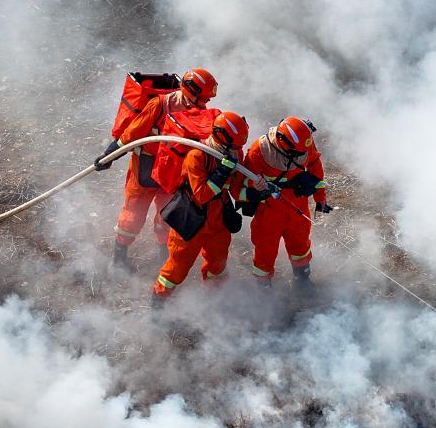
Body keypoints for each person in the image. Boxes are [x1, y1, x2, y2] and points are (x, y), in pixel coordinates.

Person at [94, 68, 218, 270]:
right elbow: (132, 134)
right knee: (133, 215)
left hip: (173, 173)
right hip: (146, 167)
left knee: (167, 215)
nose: (208, 101)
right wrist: (109, 155)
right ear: (191, 91)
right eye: (204, 96)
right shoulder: (159, 105)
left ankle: (164, 257)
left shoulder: (201, 112)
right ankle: (119, 259)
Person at [151, 111, 252, 302]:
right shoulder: (197, 156)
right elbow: (202, 195)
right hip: (191, 219)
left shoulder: (234, 152)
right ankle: (158, 302)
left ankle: (215, 301)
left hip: (218, 220)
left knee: (218, 264)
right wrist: (222, 172)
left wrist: (255, 193)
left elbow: (236, 190)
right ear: (222, 138)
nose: (236, 151)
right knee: (177, 268)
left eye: (238, 147)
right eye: (233, 146)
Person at [236, 117, 332, 288]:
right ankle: (264, 289)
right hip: (269, 211)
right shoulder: (260, 150)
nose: (303, 155)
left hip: (298, 205)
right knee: (265, 250)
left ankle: (302, 280)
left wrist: (320, 198)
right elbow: (242, 184)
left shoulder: (303, 144)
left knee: (301, 245)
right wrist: (255, 186)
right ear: (282, 142)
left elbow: (315, 169)